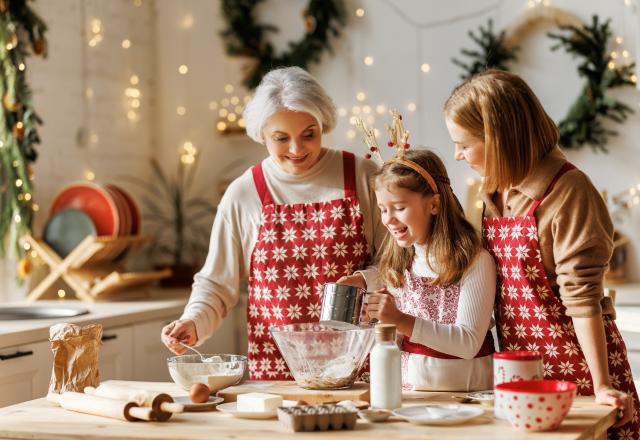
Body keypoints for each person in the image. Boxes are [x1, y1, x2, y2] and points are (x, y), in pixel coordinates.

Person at [444, 68, 638, 435]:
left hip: (579, 367)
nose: (457, 155)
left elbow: (583, 298)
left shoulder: (569, 191)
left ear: (499, 138)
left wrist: (602, 386)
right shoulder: (493, 192)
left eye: (465, 143)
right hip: (522, 370)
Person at [160, 66, 385, 380]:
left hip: (359, 367)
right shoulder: (244, 193)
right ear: (261, 134)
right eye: (281, 138)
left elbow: (397, 262)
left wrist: (364, 280)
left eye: (309, 134)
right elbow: (216, 284)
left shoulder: (362, 175)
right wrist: (192, 322)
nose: (297, 149)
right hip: (276, 372)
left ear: (323, 122)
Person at [339, 129, 496, 391]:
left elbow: (468, 342)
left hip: (466, 396)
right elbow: (397, 276)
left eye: (399, 208)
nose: (388, 219)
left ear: (433, 205)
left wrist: (401, 320)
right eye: (383, 209)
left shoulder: (474, 261)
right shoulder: (402, 260)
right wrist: (364, 280)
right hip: (411, 395)